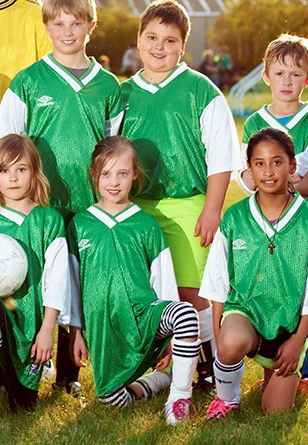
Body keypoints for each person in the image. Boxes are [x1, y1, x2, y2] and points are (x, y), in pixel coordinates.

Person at [0, 0, 123, 396]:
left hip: (91, 202)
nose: (67, 31)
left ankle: (70, 376)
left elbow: (114, 147)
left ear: (91, 25)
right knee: (40, 277)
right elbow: (7, 142)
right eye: (58, 23)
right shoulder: (28, 81)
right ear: (47, 26)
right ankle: (30, 361)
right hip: (40, 202)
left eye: (76, 22)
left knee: (80, 280)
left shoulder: (108, 86)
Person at [120, 0, 240, 392]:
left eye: (169, 40)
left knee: (192, 293)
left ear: (182, 46)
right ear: (138, 40)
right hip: (135, 207)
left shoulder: (200, 90)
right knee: (144, 294)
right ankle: (146, 366)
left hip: (189, 204)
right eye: (151, 37)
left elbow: (221, 156)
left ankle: (204, 369)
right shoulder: (122, 94)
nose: (159, 47)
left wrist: (211, 209)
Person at [199, 128, 308, 419]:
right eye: (259, 163)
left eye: (277, 162)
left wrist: (297, 341)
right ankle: (227, 399)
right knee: (230, 343)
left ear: (292, 166)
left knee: (275, 413)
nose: (268, 171)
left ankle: (274, 376)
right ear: (249, 169)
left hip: (288, 327)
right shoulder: (236, 217)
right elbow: (217, 282)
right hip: (245, 313)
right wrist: (221, 346)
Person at [68, 136, 201, 425]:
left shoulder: (146, 225)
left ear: (135, 175)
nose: (114, 182)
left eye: (123, 173)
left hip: (144, 318)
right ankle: (158, 382)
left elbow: (163, 282)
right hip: (104, 330)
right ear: (94, 175)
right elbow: (73, 285)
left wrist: (167, 339)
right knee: (112, 401)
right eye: (106, 174)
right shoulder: (80, 225)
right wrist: (76, 331)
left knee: (186, 316)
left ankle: (179, 396)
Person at [0, 134, 71, 428]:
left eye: (21, 169)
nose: (13, 178)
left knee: (24, 406)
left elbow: (58, 280)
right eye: (4, 171)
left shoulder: (49, 220)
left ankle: (9, 382)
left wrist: (47, 329)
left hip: (30, 326)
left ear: (35, 173)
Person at [236, 34, 308, 393]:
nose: (287, 82)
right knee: (272, 294)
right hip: (265, 226)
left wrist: (282, 180)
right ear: (266, 76)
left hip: (304, 227)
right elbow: (246, 177)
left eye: (295, 74)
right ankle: (269, 372)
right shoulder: (254, 123)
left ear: (307, 79)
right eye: (279, 74)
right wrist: (287, 176)